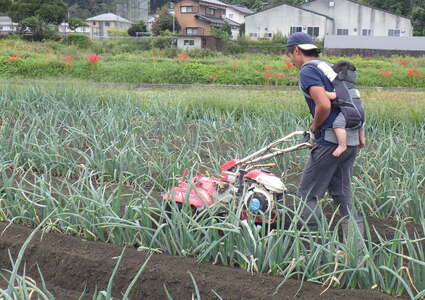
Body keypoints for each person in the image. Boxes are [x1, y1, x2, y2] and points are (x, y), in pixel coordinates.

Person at [285, 32, 365, 234]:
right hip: (351, 140)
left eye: (290, 56)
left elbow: (323, 105)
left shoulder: (308, 70)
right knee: (341, 192)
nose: (291, 61)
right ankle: (355, 244)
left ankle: (313, 243)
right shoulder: (330, 67)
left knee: (307, 195)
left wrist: (314, 126)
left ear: (296, 50)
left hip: (330, 140)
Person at [323, 61, 366, 157]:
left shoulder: (341, 86)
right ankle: (362, 140)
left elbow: (333, 96)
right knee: (360, 125)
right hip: (361, 112)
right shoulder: (352, 87)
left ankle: (342, 145)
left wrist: (321, 92)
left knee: (337, 124)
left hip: (349, 111)